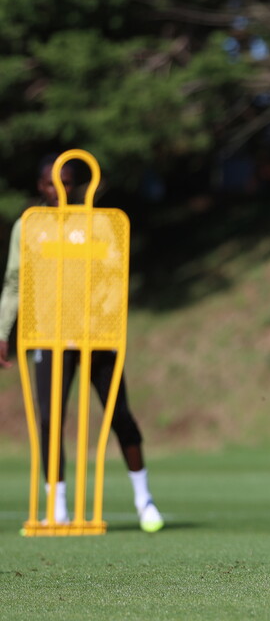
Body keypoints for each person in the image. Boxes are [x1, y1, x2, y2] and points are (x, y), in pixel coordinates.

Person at [0, 155, 164, 533]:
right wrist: (3, 330)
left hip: (94, 335)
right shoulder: (29, 226)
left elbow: (113, 276)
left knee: (118, 413)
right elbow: (14, 281)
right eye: (50, 184)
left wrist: (105, 318)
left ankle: (144, 499)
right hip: (49, 334)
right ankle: (56, 506)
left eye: (66, 182)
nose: (58, 190)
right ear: (40, 186)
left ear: (76, 185)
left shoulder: (98, 225)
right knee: (49, 418)